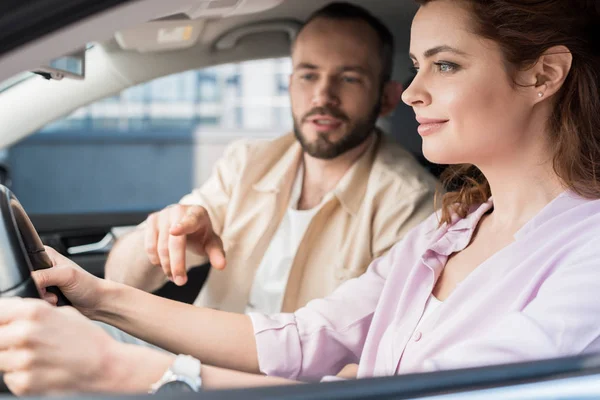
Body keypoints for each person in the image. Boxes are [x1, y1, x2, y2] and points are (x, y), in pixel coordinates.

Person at [2, 0, 600, 395]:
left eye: (444, 65)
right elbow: (301, 338)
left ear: (543, 76)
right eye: (417, 66)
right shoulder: (446, 233)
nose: (416, 90)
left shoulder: (588, 256)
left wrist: (131, 373)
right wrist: (95, 293)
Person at [104, 2, 437, 317]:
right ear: (291, 85)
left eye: (349, 78)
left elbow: (378, 355)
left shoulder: (412, 206)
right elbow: (120, 279)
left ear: (388, 98)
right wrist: (164, 242)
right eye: (308, 75)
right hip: (194, 364)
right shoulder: (246, 163)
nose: (323, 96)